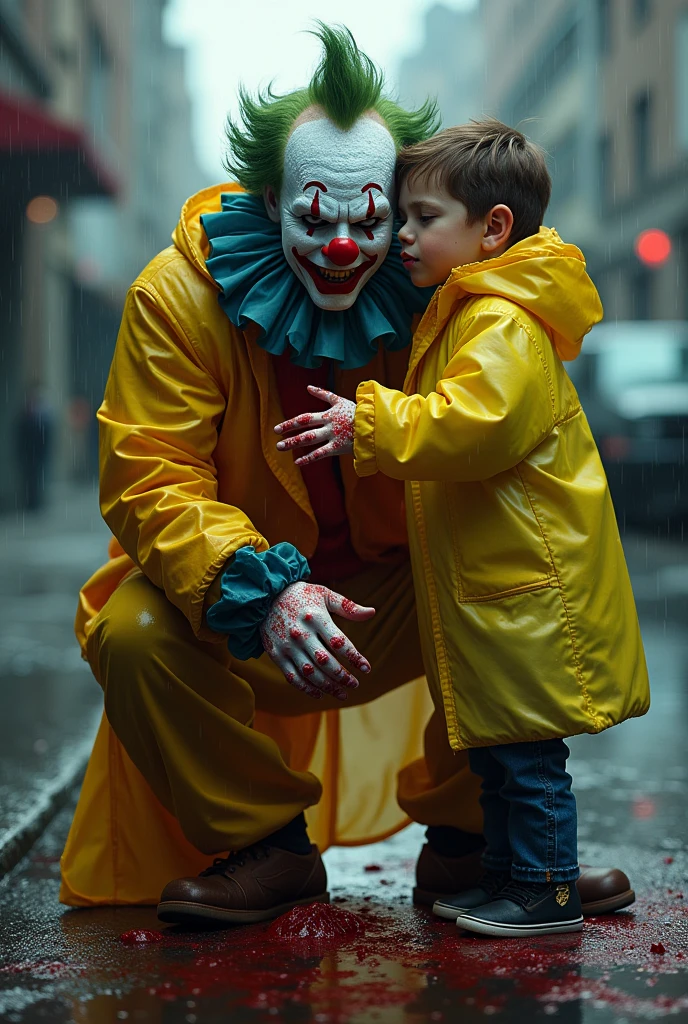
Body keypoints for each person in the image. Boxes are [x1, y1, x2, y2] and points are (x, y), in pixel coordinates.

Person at [60, 29, 634, 926]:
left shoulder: (444, 285)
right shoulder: (177, 295)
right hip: (243, 603)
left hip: (400, 592)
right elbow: (147, 472)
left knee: (493, 591)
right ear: (270, 198)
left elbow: (503, 393)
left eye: (371, 220)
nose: (341, 247)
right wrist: (264, 591)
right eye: (313, 217)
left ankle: (483, 844)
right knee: (129, 629)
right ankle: (265, 850)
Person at [274, 118, 650, 937]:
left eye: (422, 217)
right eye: (402, 217)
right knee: (501, 755)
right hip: (498, 585)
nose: (402, 235)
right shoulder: (472, 308)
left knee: (527, 762)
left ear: (493, 228)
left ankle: (544, 895)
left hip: (525, 588)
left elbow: (473, 424)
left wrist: (366, 423)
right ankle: (513, 880)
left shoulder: (501, 322)